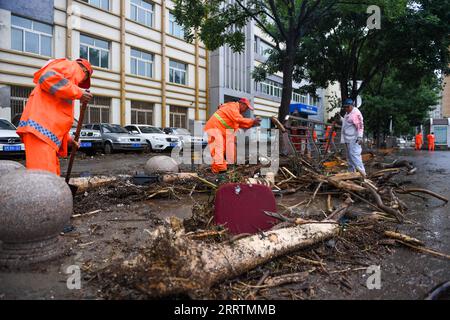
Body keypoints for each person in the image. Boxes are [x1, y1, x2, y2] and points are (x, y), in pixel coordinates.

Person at [17, 58, 94, 176]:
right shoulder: (71, 67)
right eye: (84, 79)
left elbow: (57, 116)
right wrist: (79, 92)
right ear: (84, 70)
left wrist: (69, 140)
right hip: (39, 132)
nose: (80, 82)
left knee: (52, 177)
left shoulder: (68, 86)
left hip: (43, 134)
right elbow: (47, 78)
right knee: (43, 180)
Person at [204, 98, 261, 173]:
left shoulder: (235, 112)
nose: (246, 110)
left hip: (222, 131)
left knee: (230, 150)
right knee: (218, 150)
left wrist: (252, 123)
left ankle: (229, 166)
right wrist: (252, 121)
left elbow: (240, 123)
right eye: (246, 107)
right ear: (242, 104)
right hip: (215, 128)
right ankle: (219, 170)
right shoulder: (232, 107)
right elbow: (238, 119)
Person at [340, 98, 366, 175]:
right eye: (345, 107)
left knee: (355, 156)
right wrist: (340, 119)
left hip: (353, 139)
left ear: (352, 106)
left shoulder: (355, 114)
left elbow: (360, 126)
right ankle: (351, 173)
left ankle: (362, 173)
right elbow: (347, 122)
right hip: (348, 139)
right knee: (350, 157)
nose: (346, 108)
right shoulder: (348, 113)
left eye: (347, 107)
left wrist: (360, 137)